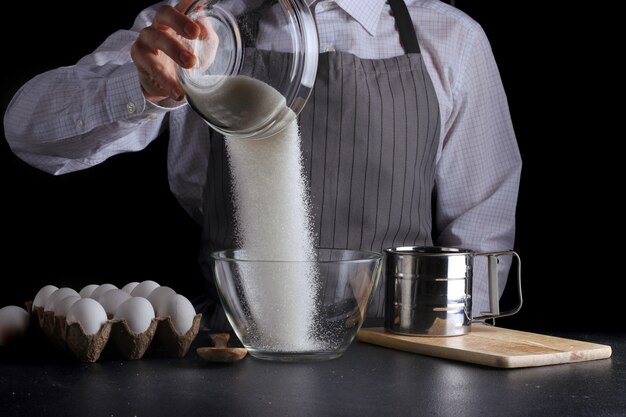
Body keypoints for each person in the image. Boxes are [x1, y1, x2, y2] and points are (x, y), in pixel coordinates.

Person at [3, 0, 521, 329]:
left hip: (405, 361)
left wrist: (448, 361)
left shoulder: (450, 41)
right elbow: (26, 130)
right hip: (235, 357)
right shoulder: (195, 34)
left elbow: (481, 244)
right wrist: (141, 87)